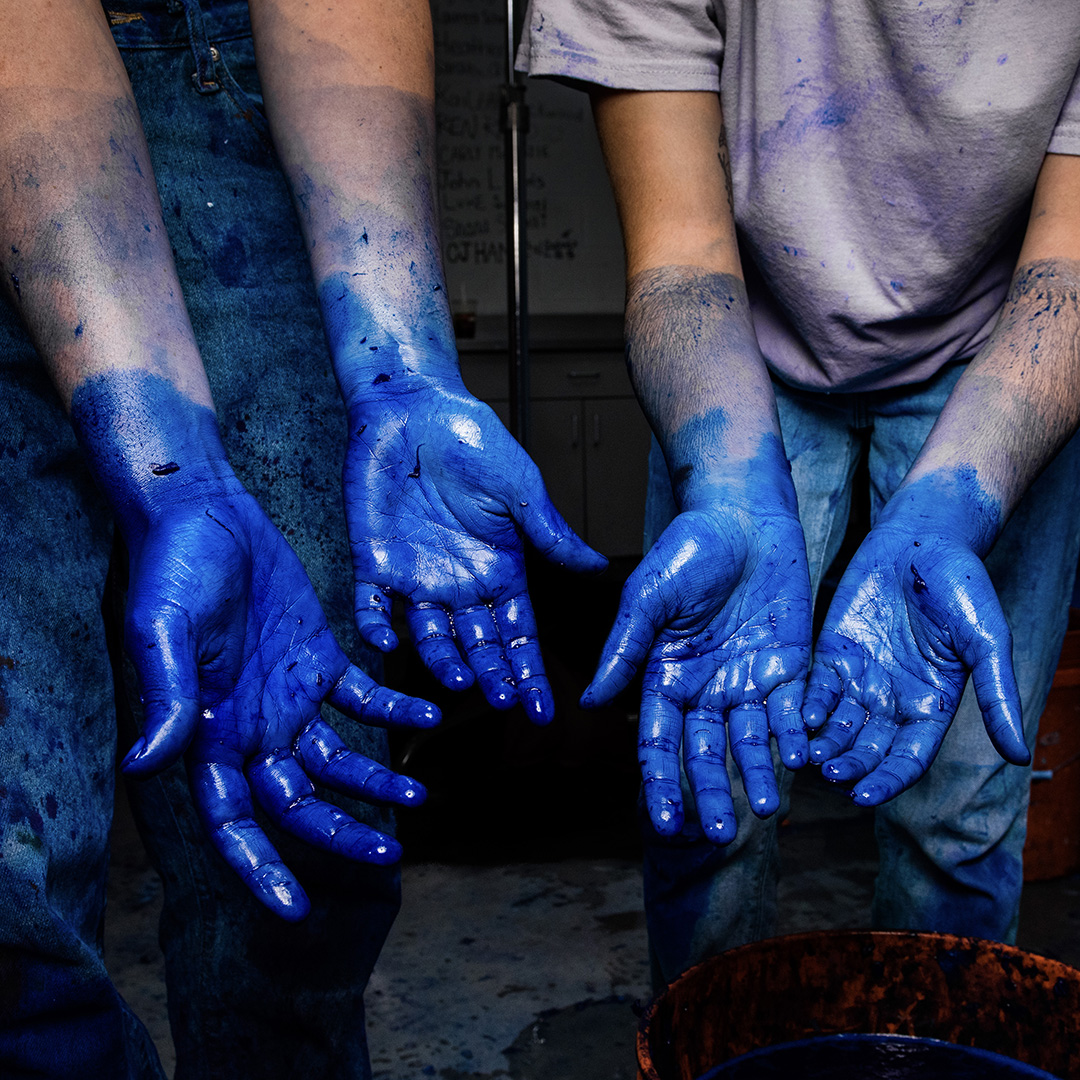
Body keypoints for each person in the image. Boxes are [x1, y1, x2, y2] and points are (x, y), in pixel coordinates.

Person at [0, 0, 604, 1076]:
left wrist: (401, 370)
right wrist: (175, 475)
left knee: (298, 867)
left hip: (243, 92)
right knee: (10, 918)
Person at [518, 1, 1080, 985]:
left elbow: (1071, 270)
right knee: (706, 788)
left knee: (959, 815)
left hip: (1008, 352)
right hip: (737, 344)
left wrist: (954, 503)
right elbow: (682, 251)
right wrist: (733, 490)